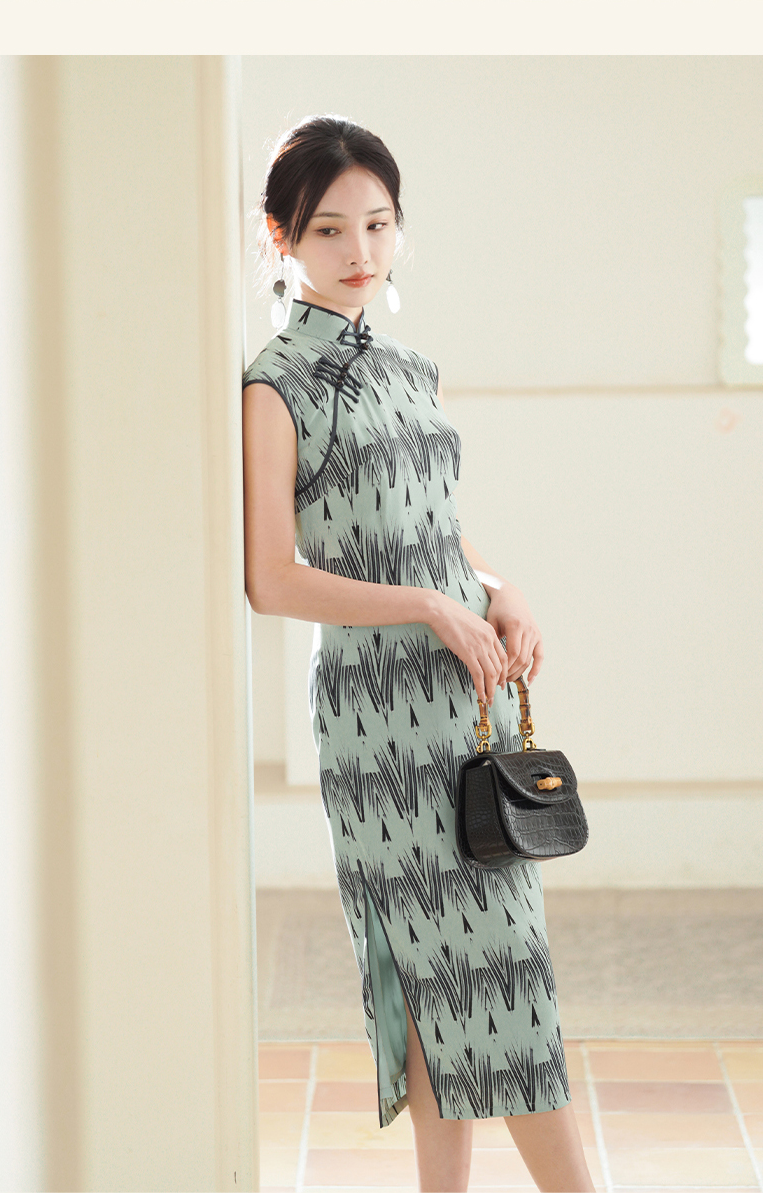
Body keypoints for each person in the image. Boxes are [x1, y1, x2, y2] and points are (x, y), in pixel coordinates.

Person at [242, 114, 594, 1193]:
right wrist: (429, 609)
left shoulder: (411, 367)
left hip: (461, 698)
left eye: (379, 223)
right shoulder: (274, 386)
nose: (360, 250)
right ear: (280, 237)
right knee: (489, 972)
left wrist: (496, 587)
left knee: (459, 974)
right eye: (330, 228)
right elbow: (272, 577)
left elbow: (434, 526)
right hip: (378, 719)